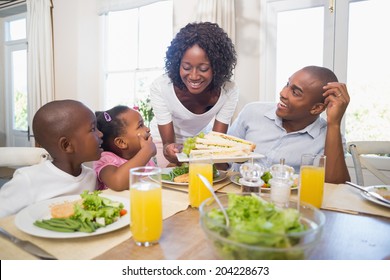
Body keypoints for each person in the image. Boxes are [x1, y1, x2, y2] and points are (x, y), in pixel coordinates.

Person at [228, 66, 351, 184]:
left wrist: (334, 123)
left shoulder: (329, 138)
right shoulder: (252, 112)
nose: (283, 93)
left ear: (316, 108)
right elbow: (222, 160)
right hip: (240, 197)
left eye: (295, 92)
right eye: (287, 84)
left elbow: (336, 187)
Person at [150, 22, 238, 164]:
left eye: (203, 69)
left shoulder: (229, 90)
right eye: (186, 67)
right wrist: (169, 149)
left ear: (217, 67)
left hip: (201, 141)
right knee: (172, 177)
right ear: (177, 63)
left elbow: (216, 142)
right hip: (163, 140)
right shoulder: (161, 87)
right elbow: (168, 146)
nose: (194, 76)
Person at [0, 100, 102, 218]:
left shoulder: (91, 176)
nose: (100, 134)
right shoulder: (27, 180)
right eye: (93, 129)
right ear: (67, 145)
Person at [93, 105, 156, 191]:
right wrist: (147, 151)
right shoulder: (106, 160)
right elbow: (117, 182)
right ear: (121, 143)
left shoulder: (145, 159)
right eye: (140, 125)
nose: (147, 129)